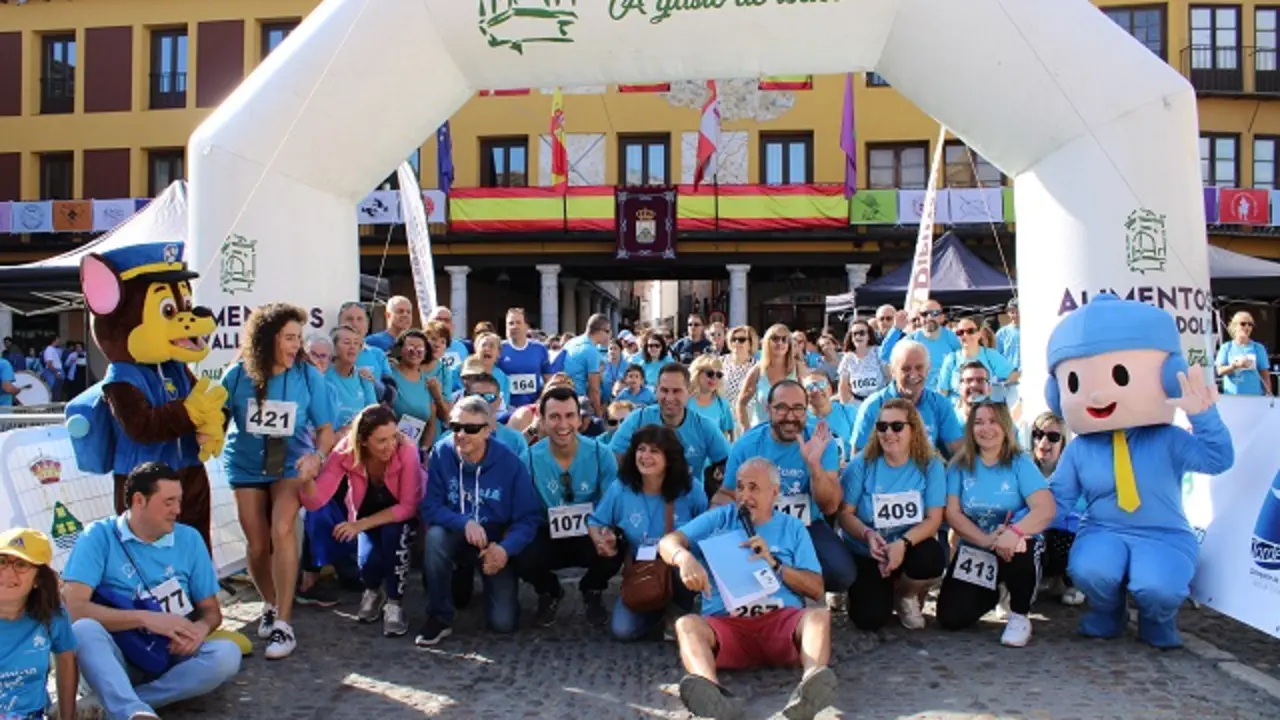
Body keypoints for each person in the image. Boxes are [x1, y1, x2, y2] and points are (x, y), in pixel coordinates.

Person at [1045, 294, 1234, 648]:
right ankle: (1106, 611)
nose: (1099, 395)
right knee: (1090, 569)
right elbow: (1059, 498)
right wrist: (1021, 516)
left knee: (1158, 586)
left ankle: (1156, 617)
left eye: (1119, 375)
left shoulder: (1169, 439)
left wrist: (1203, 415)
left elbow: (1218, 459)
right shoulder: (1081, 449)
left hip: (1163, 532)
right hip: (1103, 529)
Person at [62, 463, 242, 718]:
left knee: (227, 654)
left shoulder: (189, 539)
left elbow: (211, 612)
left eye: (179, 501)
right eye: (168, 502)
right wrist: (147, 619)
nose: (177, 511)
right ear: (139, 500)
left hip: (170, 654)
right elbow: (74, 609)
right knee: (82, 630)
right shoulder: (98, 536)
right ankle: (129, 710)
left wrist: (199, 631)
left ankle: (122, 705)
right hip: (115, 655)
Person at [661, 459, 835, 720]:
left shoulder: (793, 528)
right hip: (727, 625)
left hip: (780, 624)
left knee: (819, 616)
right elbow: (669, 541)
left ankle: (810, 688)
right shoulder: (720, 519)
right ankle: (711, 694)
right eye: (741, 487)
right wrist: (683, 558)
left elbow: (816, 590)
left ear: (775, 493)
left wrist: (775, 564)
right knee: (686, 624)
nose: (745, 496)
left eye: (754, 488)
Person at [220, 303, 336, 659]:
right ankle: (270, 603)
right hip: (245, 464)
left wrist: (317, 457)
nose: (294, 345)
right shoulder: (236, 375)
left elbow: (326, 430)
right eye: (288, 338)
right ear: (267, 338)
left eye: (297, 338)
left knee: (282, 529)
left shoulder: (307, 375)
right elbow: (217, 420)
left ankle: (284, 624)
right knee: (256, 545)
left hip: (290, 462)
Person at [417, 397, 542, 646]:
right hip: (456, 533)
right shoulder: (442, 453)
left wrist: (505, 549)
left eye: (471, 428)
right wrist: (463, 522)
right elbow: (430, 507)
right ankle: (438, 616)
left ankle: (486, 579)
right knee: (434, 537)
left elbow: (528, 518)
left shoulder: (510, 464)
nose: (462, 434)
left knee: (503, 623)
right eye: (455, 427)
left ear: (488, 430)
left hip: (494, 539)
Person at [936, 401, 1056, 646]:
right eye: (979, 422)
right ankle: (996, 589)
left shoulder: (1020, 463)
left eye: (993, 421)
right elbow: (952, 513)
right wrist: (987, 540)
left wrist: (1014, 532)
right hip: (979, 547)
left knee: (1023, 547)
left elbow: (1045, 508)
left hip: (1017, 542)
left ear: (1005, 426)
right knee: (952, 617)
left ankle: (1019, 614)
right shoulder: (959, 466)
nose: (986, 428)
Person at [716, 381, 848, 596]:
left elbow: (830, 506)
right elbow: (726, 494)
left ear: (807, 410)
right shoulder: (747, 445)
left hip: (807, 525)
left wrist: (814, 465)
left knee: (841, 573)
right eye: (781, 408)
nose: (790, 416)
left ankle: (798, 583)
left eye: (798, 408)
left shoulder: (821, 440)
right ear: (768, 410)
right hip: (758, 526)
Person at [301, 405, 423, 638]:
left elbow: (408, 507)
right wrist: (307, 480)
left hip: (401, 513)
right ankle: (373, 591)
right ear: (364, 441)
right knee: (367, 566)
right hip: (366, 510)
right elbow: (315, 501)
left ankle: (395, 604)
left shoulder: (406, 450)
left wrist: (359, 526)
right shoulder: (345, 451)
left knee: (392, 541)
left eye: (393, 437)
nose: (390, 446)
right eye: (381, 440)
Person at [589, 426, 709, 641]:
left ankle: (679, 609)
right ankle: (657, 609)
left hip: (680, 567)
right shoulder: (621, 489)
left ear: (669, 457)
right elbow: (596, 521)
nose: (645, 456)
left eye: (654, 451)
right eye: (641, 449)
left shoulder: (690, 489)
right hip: (642, 569)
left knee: (677, 566)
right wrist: (602, 540)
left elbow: (709, 526)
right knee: (623, 631)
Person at [516, 388, 623, 627]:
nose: (562, 424)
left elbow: (612, 502)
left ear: (580, 419)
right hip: (547, 532)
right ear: (542, 420)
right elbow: (523, 511)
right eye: (554, 417)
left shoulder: (600, 454)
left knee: (617, 543)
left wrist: (604, 531)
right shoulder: (529, 459)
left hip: (590, 531)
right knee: (520, 551)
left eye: (569, 416)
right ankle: (549, 590)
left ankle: (592, 588)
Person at [837, 399, 947, 631]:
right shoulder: (861, 465)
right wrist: (867, 534)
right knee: (869, 619)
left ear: (913, 429)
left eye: (897, 426)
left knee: (933, 558)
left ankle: (906, 595)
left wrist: (903, 544)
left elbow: (934, 519)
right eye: (882, 427)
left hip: (910, 545)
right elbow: (845, 514)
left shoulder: (930, 465)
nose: (888, 433)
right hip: (869, 550)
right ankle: (873, 590)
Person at [610, 364, 730, 495]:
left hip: (687, 500)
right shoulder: (638, 419)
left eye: (676, 391)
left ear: (689, 391)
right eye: (664, 390)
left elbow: (728, 462)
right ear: (656, 390)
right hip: (642, 499)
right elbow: (613, 458)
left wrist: (719, 494)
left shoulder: (704, 426)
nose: (670, 398)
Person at [0, 528, 77, 720]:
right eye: (1, 562)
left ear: (38, 579)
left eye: (20, 564)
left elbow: (66, 660)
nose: (8, 572)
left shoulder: (52, 616)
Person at [851, 340, 964, 456]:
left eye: (919, 367)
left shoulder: (940, 404)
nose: (913, 374)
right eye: (906, 369)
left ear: (928, 368)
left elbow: (957, 453)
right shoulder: (873, 406)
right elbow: (858, 460)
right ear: (893, 371)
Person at [1029, 411, 1084, 606]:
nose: (1044, 442)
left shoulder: (1076, 473)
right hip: (1034, 535)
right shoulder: (1022, 468)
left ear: (1064, 442)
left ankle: (1071, 582)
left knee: (1064, 538)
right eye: (1038, 434)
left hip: (1065, 537)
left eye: (1053, 437)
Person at [388, 330, 445, 452]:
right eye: (410, 346)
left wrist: (422, 451)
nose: (415, 351)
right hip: (389, 448)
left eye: (419, 347)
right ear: (401, 350)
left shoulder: (428, 383)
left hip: (414, 452)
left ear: (425, 354)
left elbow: (431, 424)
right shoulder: (389, 373)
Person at [937, 316, 1017, 400]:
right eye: (960, 332)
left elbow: (1014, 375)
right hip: (958, 410)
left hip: (985, 409)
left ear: (979, 334)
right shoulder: (951, 359)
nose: (965, 335)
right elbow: (942, 391)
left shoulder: (990, 355)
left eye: (970, 331)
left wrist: (1003, 390)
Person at [736, 324, 799, 430]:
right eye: (775, 338)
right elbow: (741, 404)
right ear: (766, 342)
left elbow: (807, 403)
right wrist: (747, 431)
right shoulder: (757, 371)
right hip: (761, 433)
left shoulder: (798, 369)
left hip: (789, 434)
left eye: (784, 339)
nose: (780, 343)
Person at [325, 325, 378, 434]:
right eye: (347, 342)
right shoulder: (322, 376)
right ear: (333, 348)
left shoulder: (364, 377)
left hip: (357, 439)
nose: (352, 347)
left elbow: (373, 413)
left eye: (356, 343)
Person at [803, 370, 855, 469]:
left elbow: (862, 446)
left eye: (821, 384)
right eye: (810, 387)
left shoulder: (848, 412)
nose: (816, 390)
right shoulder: (801, 420)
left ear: (830, 389)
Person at [561, 314, 611, 418]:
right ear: (599, 330)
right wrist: (599, 416)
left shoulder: (571, 342)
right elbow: (594, 390)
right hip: (578, 403)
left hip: (563, 397)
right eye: (607, 331)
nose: (608, 335)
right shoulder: (591, 351)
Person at [1215, 310, 1272, 396]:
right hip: (1232, 398)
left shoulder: (1258, 348)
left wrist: (1268, 393)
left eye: (1250, 324)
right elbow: (1219, 371)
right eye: (1243, 324)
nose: (1247, 327)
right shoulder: (1226, 347)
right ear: (1234, 326)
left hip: (1255, 398)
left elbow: (1264, 373)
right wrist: (1235, 366)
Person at [837, 319, 886, 410]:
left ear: (869, 336)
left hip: (880, 402)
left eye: (862, 333)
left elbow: (889, 378)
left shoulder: (878, 352)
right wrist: (849, 406)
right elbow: (843, 387)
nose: (858, 336)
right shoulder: (847, 358)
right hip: (857, 405)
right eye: (854, 334)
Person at [688, 355, 735, 441]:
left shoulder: (722, 403)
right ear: (697, 374)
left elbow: (727, 434)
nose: (714, 378)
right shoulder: (684, 401)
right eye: (710, 374)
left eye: (719, 375)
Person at [469, 332, 512, 409]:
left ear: (498, 353)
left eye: (491, 346)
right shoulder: (460, 372)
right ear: (476, 350)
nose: (487, 349)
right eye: (483, 345)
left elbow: (504, 407)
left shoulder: (504, 379)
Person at [721, 326, 757, 414]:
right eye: (733, 339)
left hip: (747, 417)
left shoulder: (757, 367)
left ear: (750, 344)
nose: (737, 342)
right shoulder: (720, 362)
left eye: (741, 339)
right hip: (723, 417)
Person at [427, 306, 473, 371]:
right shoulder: (421, 346)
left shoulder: (464, 347)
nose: (442, 323)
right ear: (428, 323)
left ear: (452, 325)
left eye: (447, 320)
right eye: (438, 319)